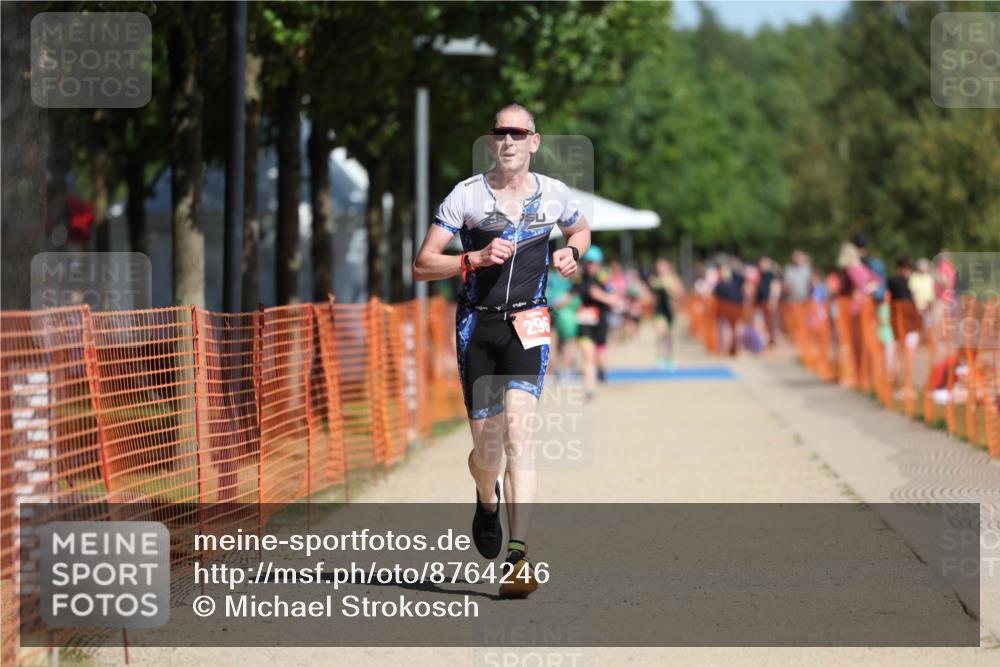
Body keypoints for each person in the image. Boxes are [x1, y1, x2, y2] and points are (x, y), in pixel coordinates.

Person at [412, 103, 591, 598]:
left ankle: (518, 555)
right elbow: (423, 265)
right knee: (486, 451)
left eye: (518, 133)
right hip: (478, 327)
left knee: (519, 434)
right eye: (500, 133)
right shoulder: (467, 197)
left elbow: (580, 229)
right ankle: (485, 498)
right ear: (492, 141)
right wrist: (471, 258)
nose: (508, 141)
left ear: (534, 141)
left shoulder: (553, 194)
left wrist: (571, 252)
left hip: (529, 324)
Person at [576, 246, 618, 400]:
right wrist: (554, 305)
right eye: (588, 262)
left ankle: (602, 371)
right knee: (587, 355)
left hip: (601, 321)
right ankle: (590, 388)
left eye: (593, 263)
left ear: (599, 263)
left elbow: (614, 299)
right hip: (584, 321)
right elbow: (570, 293)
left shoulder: (604, 278)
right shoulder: (580, 278)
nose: (590, 265)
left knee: (600, 358)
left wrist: (599, 295)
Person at [545, 263, 580, 380]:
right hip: (565, 315)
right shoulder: (570, 279)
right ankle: (566, 372)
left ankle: (550, 374)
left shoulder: (550, 277)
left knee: (552, 345)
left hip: (551, 313)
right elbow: (570, 298)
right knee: (568, 344)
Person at [648, 258, 684, 369]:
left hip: (670, 311)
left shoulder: (673, 279)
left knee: (668, 335)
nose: (660, 269)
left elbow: (680, 293)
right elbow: (651, 296)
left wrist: (672, 293)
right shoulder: (654, 280)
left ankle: (669, 358)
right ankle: (659, 359)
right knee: (660, 333)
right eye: (658, 267)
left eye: (662, 267)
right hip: (659, 310)